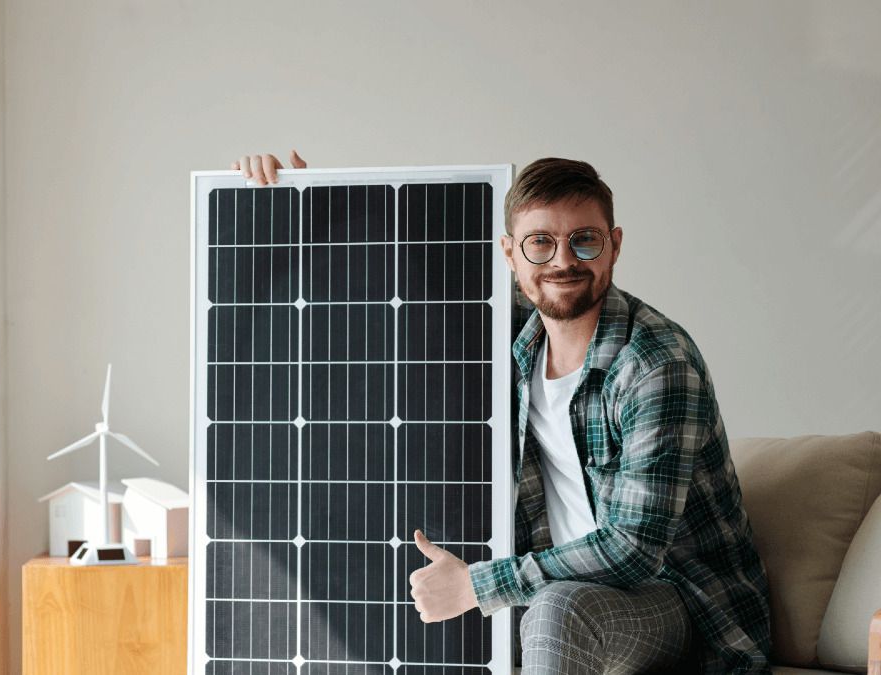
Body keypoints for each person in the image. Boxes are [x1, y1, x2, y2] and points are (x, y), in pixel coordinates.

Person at [233, 153, 772, 674]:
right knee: (404, 601)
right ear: (511, 256)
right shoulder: (510, 334)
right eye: (541, 243)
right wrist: (302, 206)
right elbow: (388, 291)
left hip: (674, 603)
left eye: (584, 240)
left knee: (555, 608)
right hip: (549, 596)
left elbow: (633, 549)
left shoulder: (655, 363)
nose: (563, 261)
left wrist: (478, 586)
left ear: (614, 246)